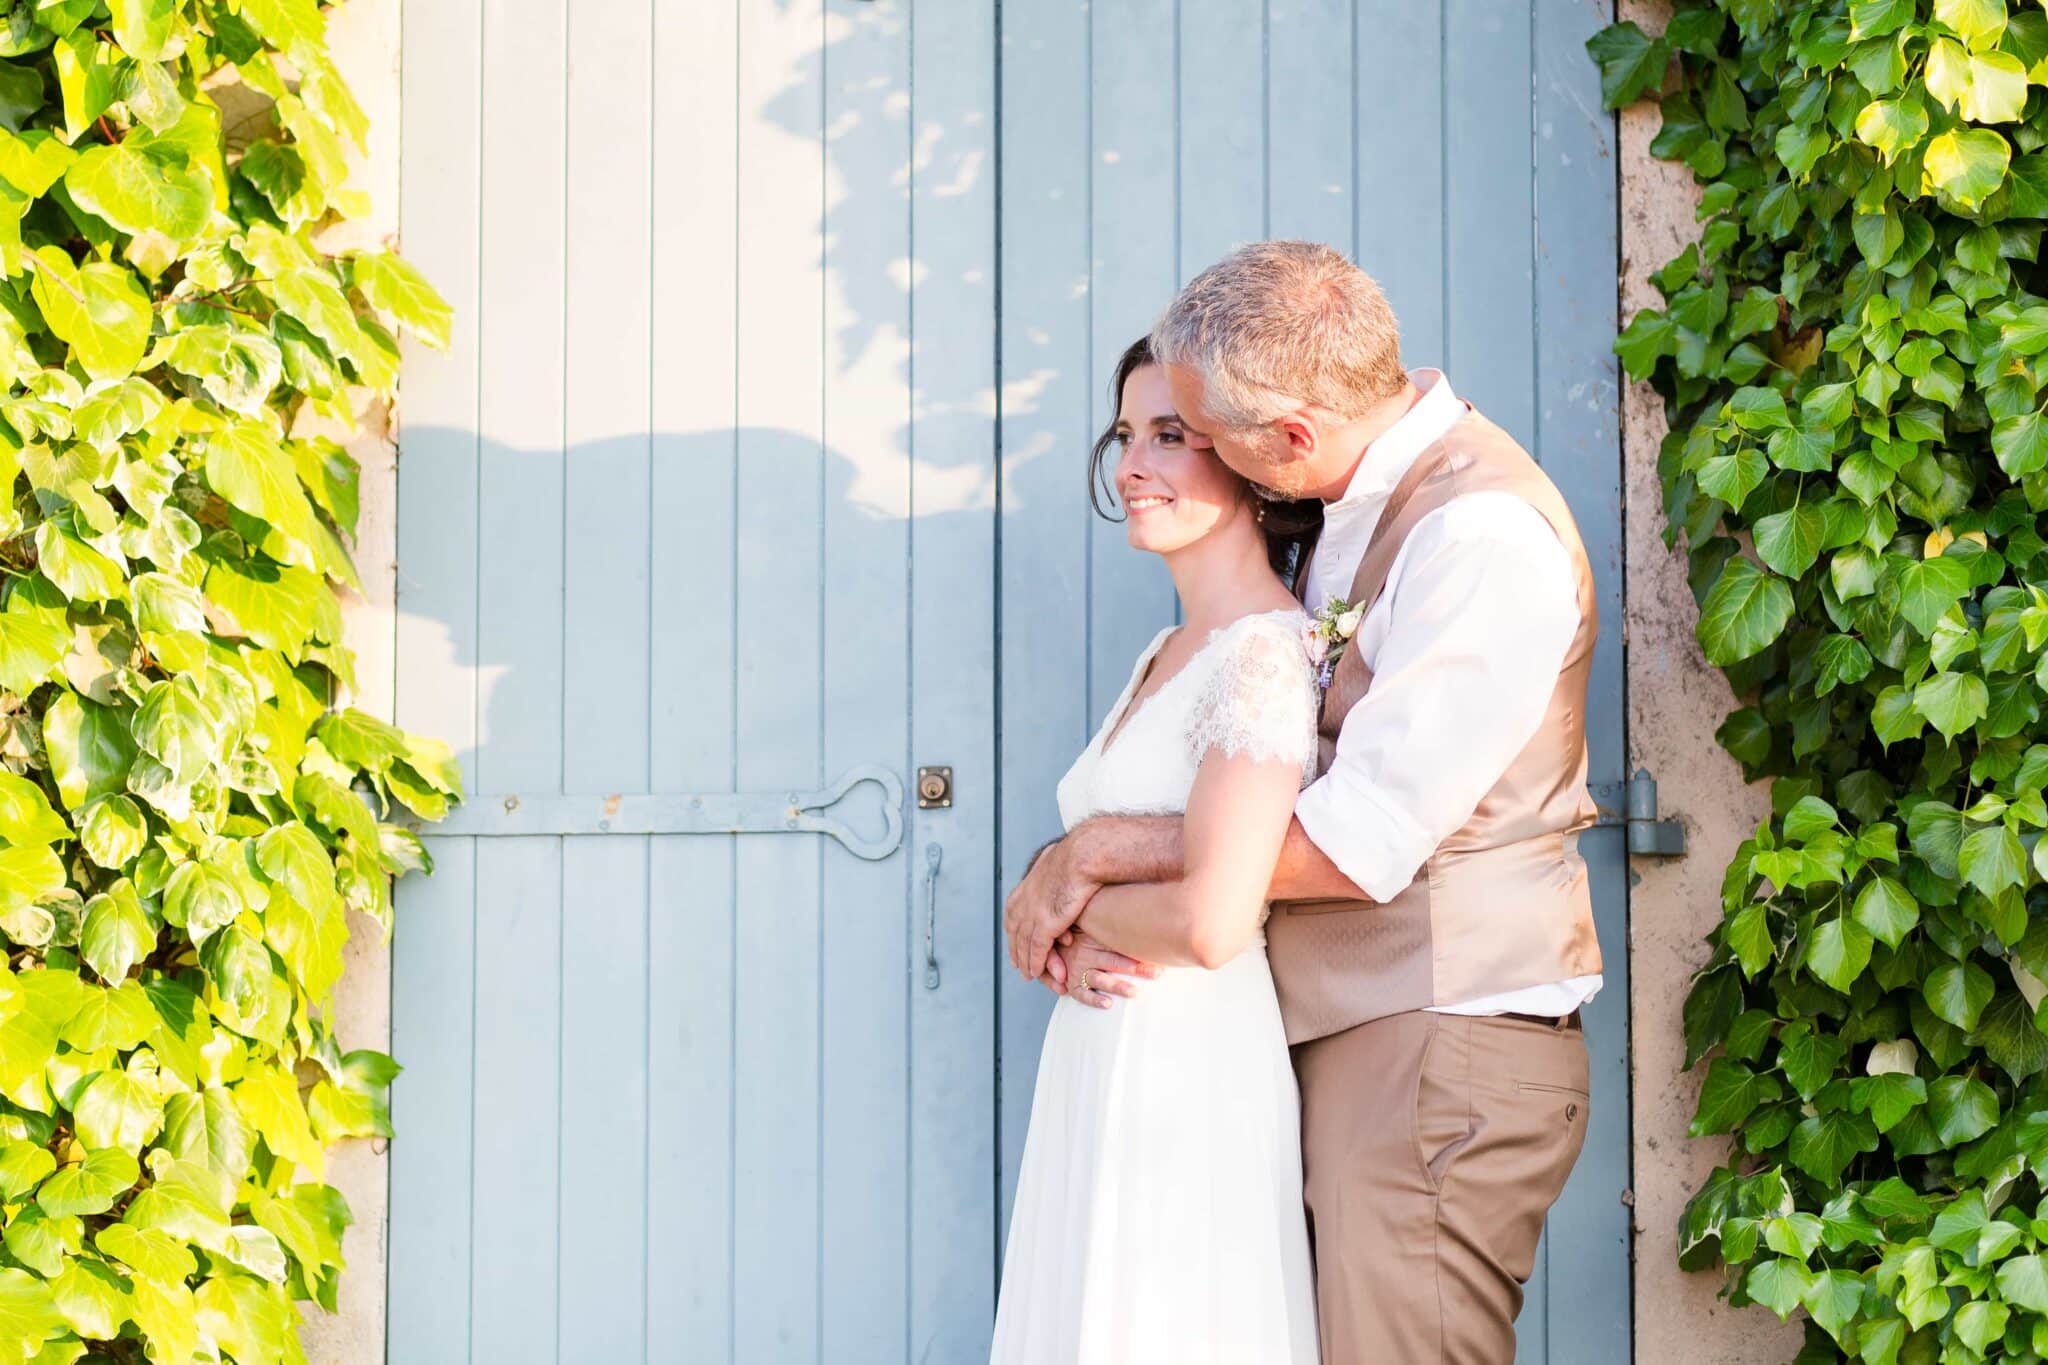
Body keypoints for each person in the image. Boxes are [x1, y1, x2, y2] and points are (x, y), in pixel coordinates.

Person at [1007, 240, 1603, 1363]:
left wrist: (1088, 869)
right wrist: (1086, 867)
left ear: (1280, 440)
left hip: (1440, 1030)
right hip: (1355, 1031)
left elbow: (1357, 838)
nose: (1146, 460)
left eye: (1192, 431)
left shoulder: (1476, 533)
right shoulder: (1356, 515)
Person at [988, 336, 1322, 1365]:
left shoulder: (1260, 655)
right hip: (1107, 1054)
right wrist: (1072, 903)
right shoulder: (1165, 651)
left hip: (1184, 1070)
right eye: (1126, 436)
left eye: (1169, 437)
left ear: (1249, 461)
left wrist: (1070, 897)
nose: (1132, 465)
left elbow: (1215, 921)